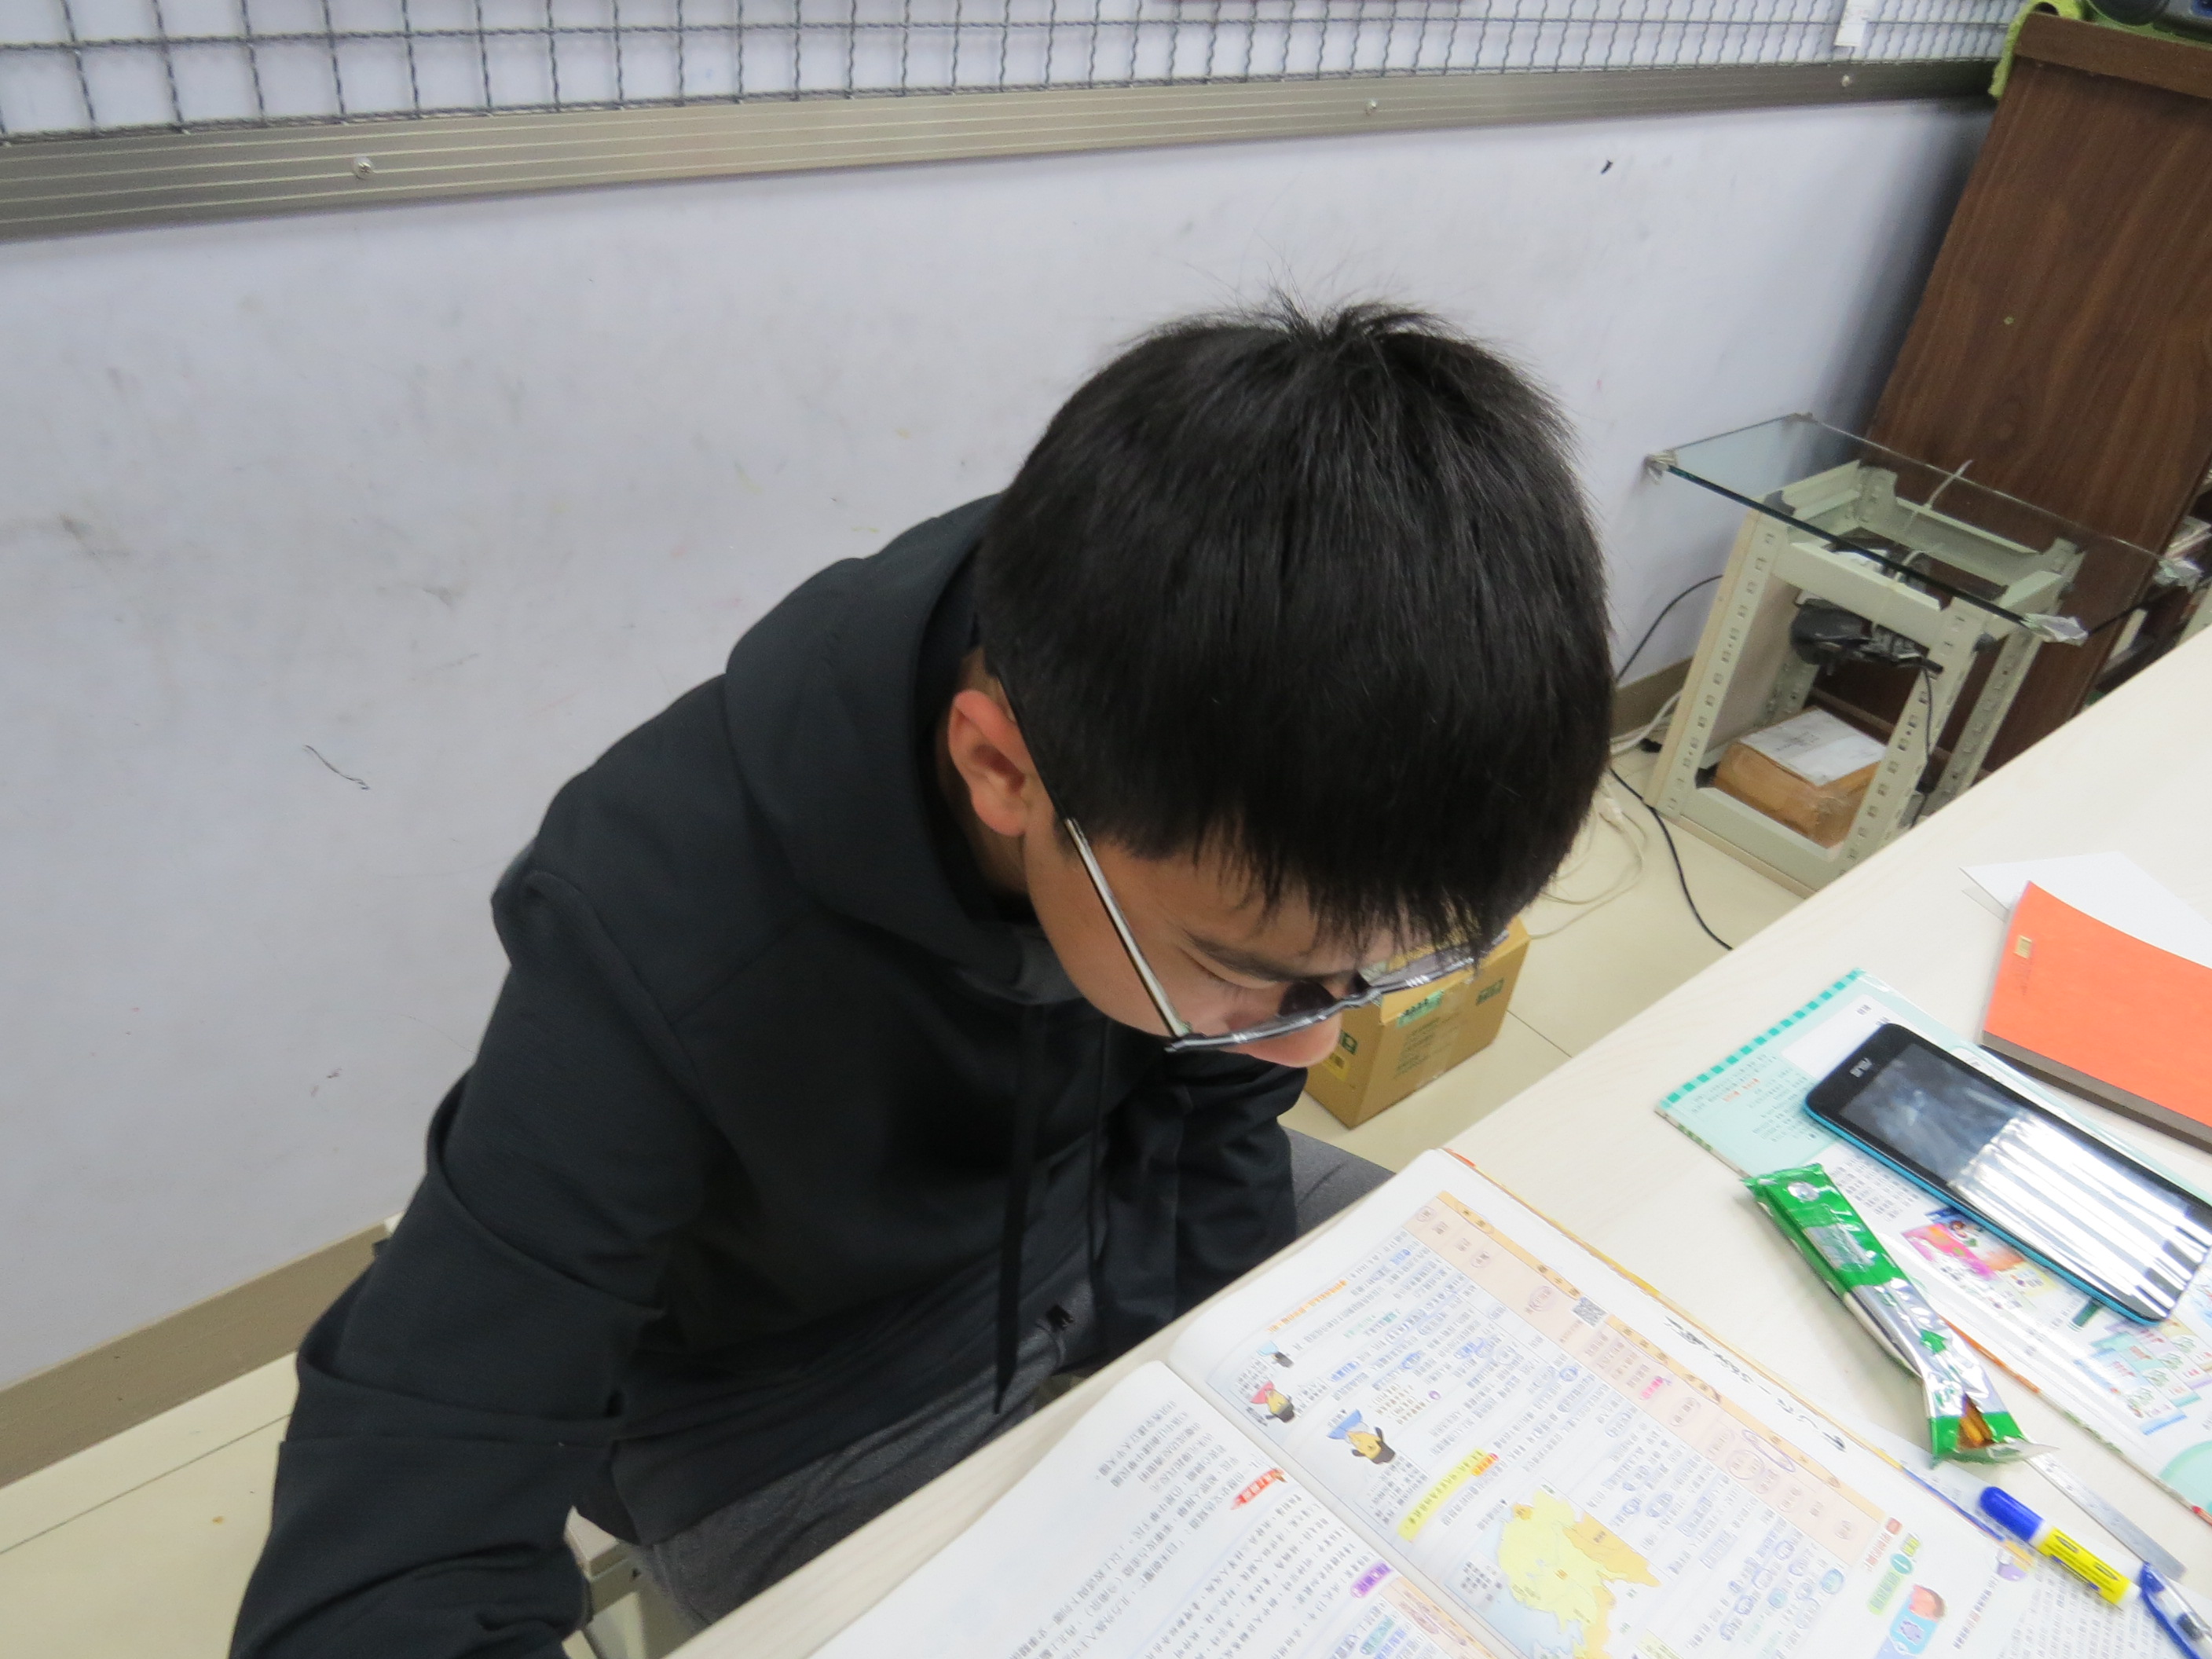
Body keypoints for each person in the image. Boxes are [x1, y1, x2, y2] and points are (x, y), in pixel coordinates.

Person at [231, 298, 1612, 1657]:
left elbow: (1217, 1098)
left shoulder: (1198, 680)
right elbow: (411, 1481)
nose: (1311, 1053)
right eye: (1257, 978)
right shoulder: (652, 913)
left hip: (1111, 1197)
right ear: (1000, 769)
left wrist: (1200, 1367)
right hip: (788, 1396)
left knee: (1552, 1372)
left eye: (1353, 985)